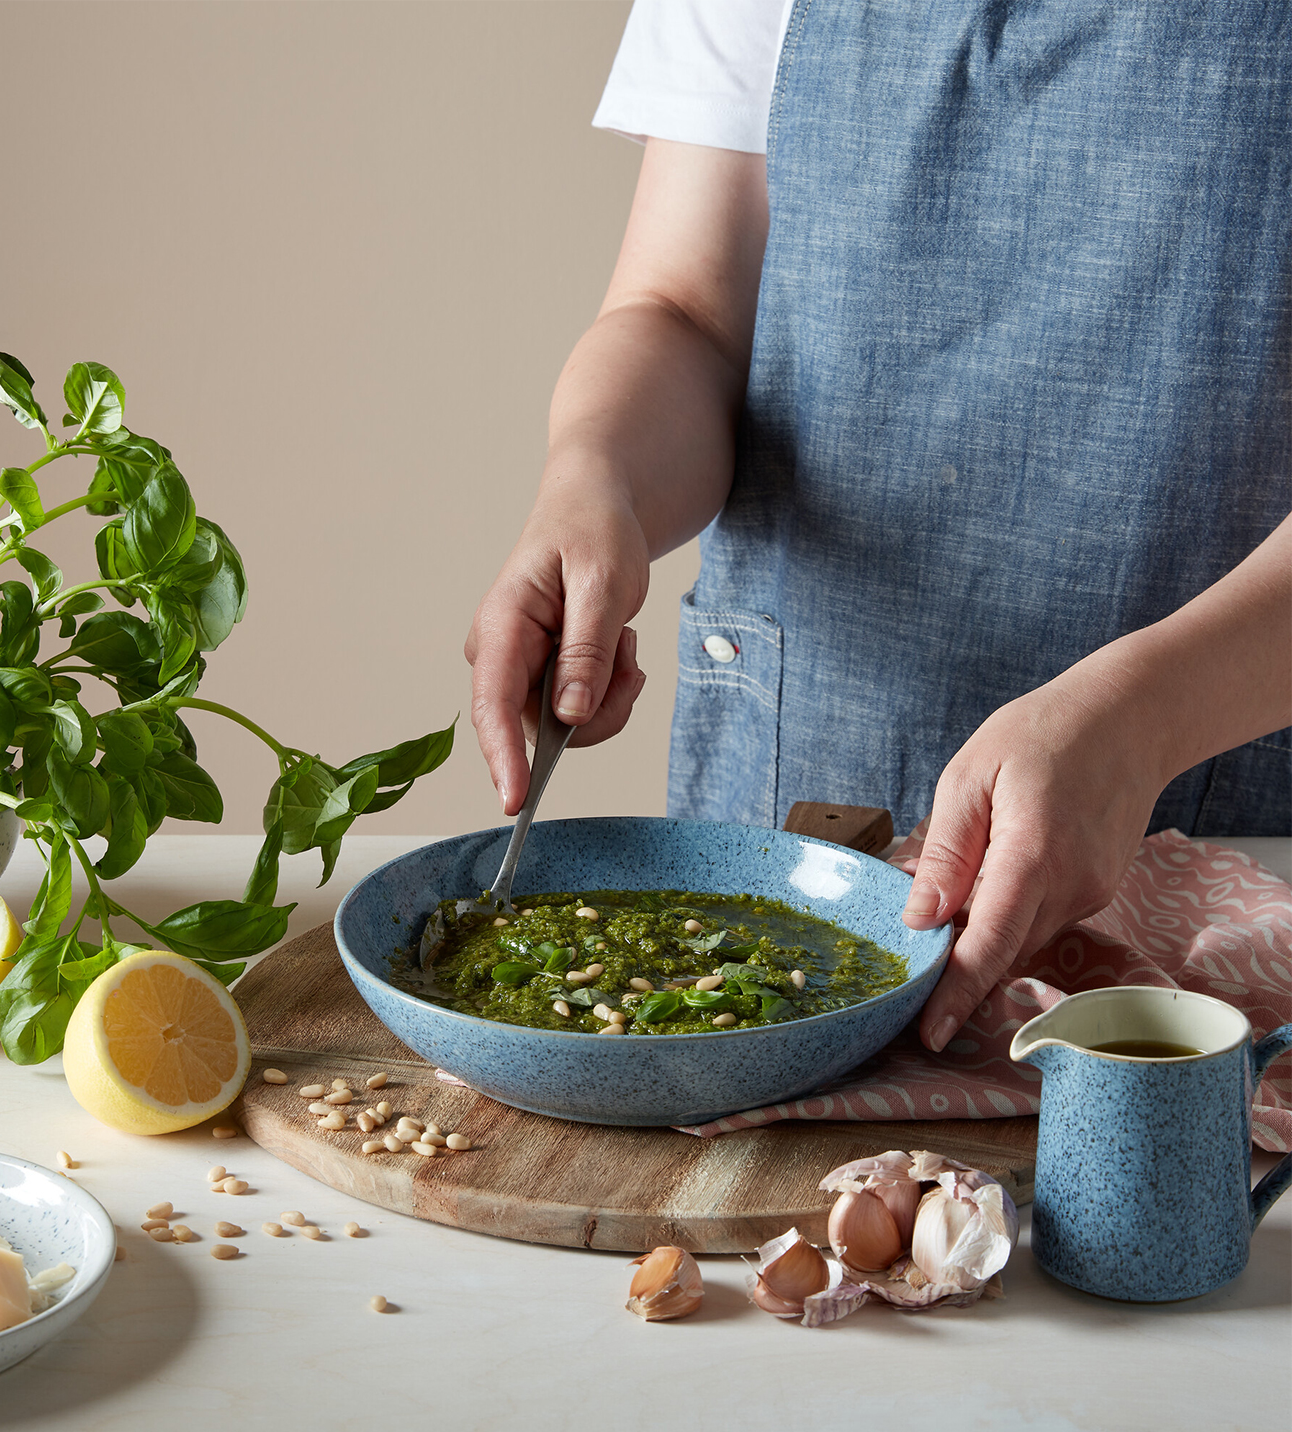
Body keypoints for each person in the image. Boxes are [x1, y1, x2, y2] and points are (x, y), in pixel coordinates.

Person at [464, 0, 1291, 1054]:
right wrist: (594, 485)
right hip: (795, 804)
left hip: (1223, 864)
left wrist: (1145, 719)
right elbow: (686, 313)